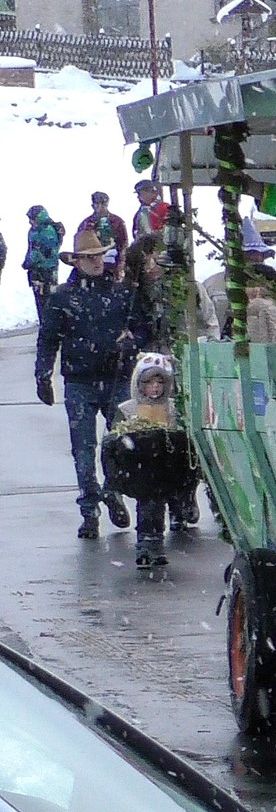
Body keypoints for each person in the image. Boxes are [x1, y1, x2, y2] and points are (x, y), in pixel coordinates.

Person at [33, 231, 144, 539]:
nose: (97, 261)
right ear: (78, 260)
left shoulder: (121, 293)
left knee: (121, 445)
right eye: (90, 257)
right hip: (80, 382)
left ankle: (112, 490)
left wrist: (131, 346)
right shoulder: (62, 298)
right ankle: (89, 510)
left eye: (99, 255)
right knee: (83, 450)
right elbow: (48, 339)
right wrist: (42, 375)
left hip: (116, 380)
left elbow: (141, 328)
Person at [108, 354, 189, 572]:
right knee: (147, 506)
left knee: (157, 505)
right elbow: (115, 440)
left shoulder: (173, 409)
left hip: (163, 467)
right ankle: (146, 544)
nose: (155, 388)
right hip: (139, 470)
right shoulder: (128, 409)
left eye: (160, 383)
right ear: (139, 384)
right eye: (150, 383)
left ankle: (155, 543)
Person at [23, 206, 62, 316]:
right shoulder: (34, 231)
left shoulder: (47, 231)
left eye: (32, 218)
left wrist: (29, 262)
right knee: (40, 302)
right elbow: (31, 248)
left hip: (47, 271)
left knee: (48, 301)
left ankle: (49, 326)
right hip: (37, 271)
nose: (30, 222)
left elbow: (42, 252)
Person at [74, 192, 127, 262]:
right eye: (97, 203)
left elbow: (123, 243)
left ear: (107, 204)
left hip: (113, 261)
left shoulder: (117, 221)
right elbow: (80, 245)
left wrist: (122, 262)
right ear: (93, 205)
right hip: (92, 261)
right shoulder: (85, 224)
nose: (101, 206)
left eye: (103, 203)